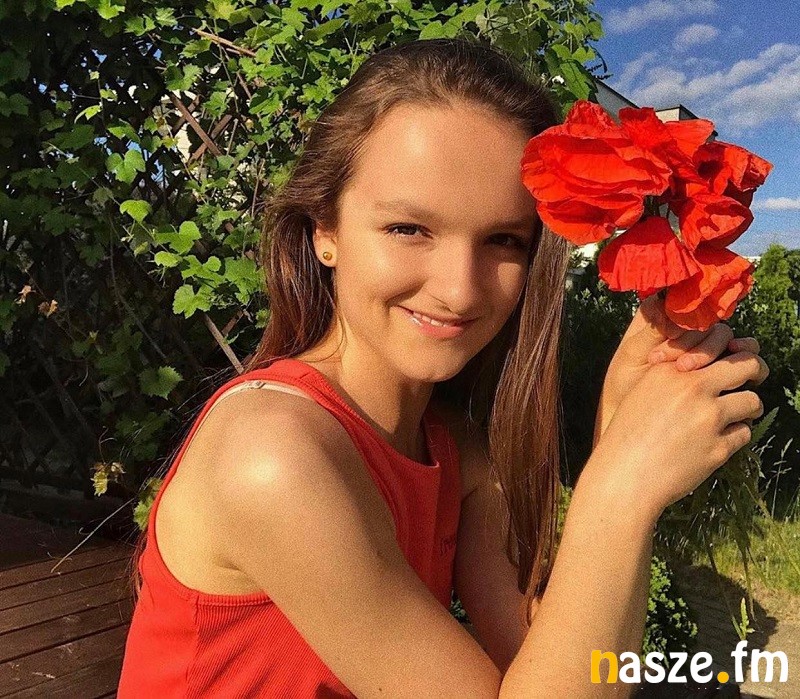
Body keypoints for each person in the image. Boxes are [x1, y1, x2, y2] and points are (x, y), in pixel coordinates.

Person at [117, 37, 770, 697]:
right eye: (408, 229)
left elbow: (561, 666)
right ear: (325, 231)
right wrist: (621, 489)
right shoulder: (271, 455)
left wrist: (618, 433)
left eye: (503, 240)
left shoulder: (450, 446)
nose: (460, 290)